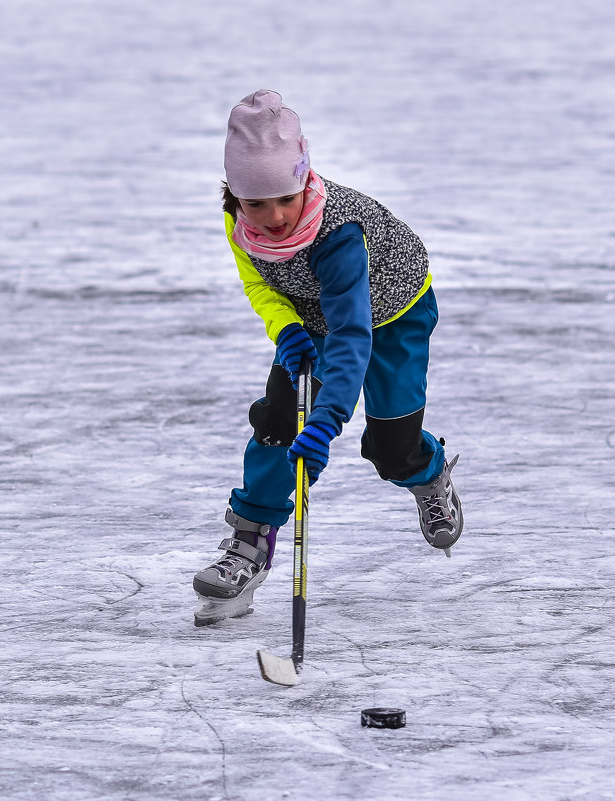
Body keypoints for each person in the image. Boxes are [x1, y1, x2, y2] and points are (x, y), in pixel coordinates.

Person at [193, 89, 463, 625]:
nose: (271, 217)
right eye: (255, 203)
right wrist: (286, 327)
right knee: (277, 421)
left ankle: (427, 471)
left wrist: (326, 421)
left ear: (304, 179)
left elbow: (352, 337)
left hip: (392, 313)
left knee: (391, 445)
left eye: (284, 199)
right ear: (235, 196)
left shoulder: (338, 234)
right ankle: (248, 546)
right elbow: (258, 281)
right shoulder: (238, 220)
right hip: (313, 317)